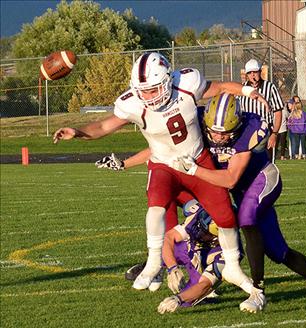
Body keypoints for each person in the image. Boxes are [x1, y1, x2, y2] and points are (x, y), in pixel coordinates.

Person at [52, 52, 270, 308]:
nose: (149, 96)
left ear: (168, 80)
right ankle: (155, 262)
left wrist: (247, 90)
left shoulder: (187, 84)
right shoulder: (133, 103)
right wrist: (76, 132)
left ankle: (232, 266)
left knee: (224, 215)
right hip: (164, 164)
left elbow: (220, 87)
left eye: (154, 89)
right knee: (157, 203)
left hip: (196, 160)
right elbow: (102, 127)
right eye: (143, 91)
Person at [171, 93, 306, 311]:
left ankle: (258, 293)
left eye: (224, 133)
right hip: (242, 193)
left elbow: (230, 179)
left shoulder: (249, 128)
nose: (217, 138)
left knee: (246, 218)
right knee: (278, 252)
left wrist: (194, 170)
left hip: (263, 179)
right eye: (213, 132)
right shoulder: (197, 120)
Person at [238, 59, 284, 159]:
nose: (253, 75)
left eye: (255, 72)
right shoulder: (242, 89)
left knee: (266, 162)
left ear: (260, 72)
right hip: (247, 131)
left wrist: (275, 134)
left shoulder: (270, 87)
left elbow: (278, 112)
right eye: (250, 73)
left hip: (266, 130)